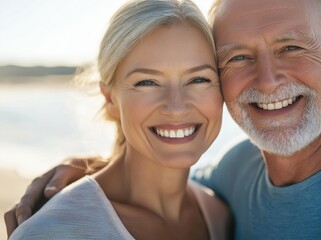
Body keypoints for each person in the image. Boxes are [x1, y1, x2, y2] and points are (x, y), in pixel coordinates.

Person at [5, 0, 321, 239]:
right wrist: (89, 174)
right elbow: (152, 183)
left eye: (291, 48)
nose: (266, 81)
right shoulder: (235, 177)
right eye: (238, 57)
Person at [6, 0, 232, 239]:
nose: (176, 107)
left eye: (199, 79)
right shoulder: (53, 231)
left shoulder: (219, 215)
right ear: (110, 99)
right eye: (147, 82)